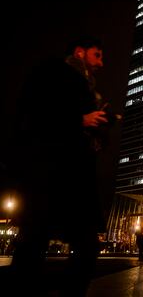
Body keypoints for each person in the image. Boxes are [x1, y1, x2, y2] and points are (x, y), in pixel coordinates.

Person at [8, 35, 119, 296]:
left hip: (74, 178)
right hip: (50, 175)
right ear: (80, 52)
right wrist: (79, 120)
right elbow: (35, 114)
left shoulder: (89, 87)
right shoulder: (55, 73)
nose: (102, 63)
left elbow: (85, 126)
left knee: (85, 245)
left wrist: (102, 127)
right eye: (97, 55)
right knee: (34, 242)